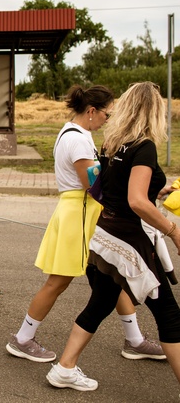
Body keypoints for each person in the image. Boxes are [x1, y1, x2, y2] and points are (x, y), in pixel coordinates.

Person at [6, 84, 163, 363]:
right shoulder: (78, 140)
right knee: (58, 281)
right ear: (91, 111)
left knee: (112, 277)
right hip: (79, 213)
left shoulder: (76, 134)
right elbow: (94, 186)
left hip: (82, 211)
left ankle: (135, 339)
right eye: (107, 114)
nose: (108, 120)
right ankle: (23, 338)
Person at [46, 82, 180, 391]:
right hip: (129, 242)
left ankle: (64, 368)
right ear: (155, 112)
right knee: (169, 314)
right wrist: (172, 230)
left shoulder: (114, 142)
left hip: (105, 236)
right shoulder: (144, 146)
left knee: (102, 300)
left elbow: (112, 191)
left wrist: (156, 192)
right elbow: (135, 201)